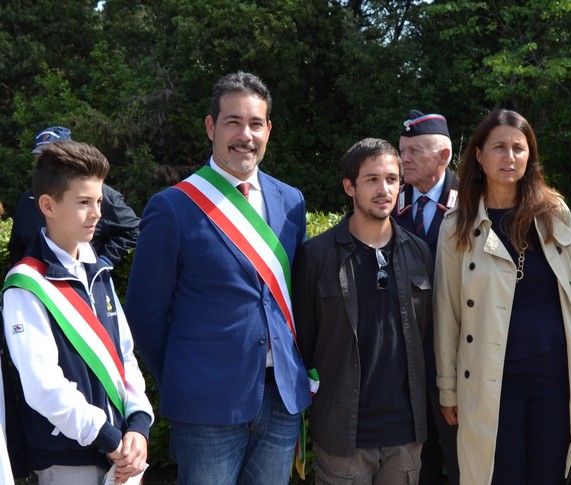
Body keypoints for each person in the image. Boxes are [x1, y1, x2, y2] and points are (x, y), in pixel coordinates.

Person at [124, 71, 311, 484]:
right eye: (233, 122)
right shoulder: (171, 207)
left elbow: (296, 297)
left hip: (281, 399)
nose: (245, 135)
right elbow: (143, 314)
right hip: (205, 406)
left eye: (256, 124)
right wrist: (184, 374)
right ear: (211, 127)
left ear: (268, 130)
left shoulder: (291, 201)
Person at [433, 109, 571, 484]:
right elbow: (446, 313)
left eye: (519, 147)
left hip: (556, 375)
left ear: (530, 156)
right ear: (479, 155)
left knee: (551, 474)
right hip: (490, 380)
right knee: (500, 476)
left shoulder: (554, 212)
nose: (509, 156)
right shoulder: (457, 225)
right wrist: (448, 388)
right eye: (499, 147)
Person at [2, 140, 153, 484]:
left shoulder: (99, 272)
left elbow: (124, 357)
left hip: (122, 453)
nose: (98, 213)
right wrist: (110, 438)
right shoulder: (26, 284)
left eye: (98, 201)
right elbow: (43, 385)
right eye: (84, 202)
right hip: (69, 461)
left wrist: (139, 424)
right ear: (48, 205)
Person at [293, 138, 431, 483]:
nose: (383, 189)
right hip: (343, 435)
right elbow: (303, 344)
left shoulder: (419, 253)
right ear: (349, 186)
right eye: (371, 179)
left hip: (406, 435)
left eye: (391, 179)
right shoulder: (316, 257)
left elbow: (427, 336)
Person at [392, 109, 460, 485]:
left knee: (463, 454)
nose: (405, 160)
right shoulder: (390, 201)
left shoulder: (470, 200)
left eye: (416, 151)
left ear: (444, 156)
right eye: (403, 150)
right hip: (405, 356)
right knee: (419, 460)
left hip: (456, 353)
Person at [8, 126, 140, 268]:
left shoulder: (104, 194)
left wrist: (104, 262)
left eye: (55, 158)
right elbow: (17, 245)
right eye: (41, 157)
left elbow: (134, 230)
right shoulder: (28, 198)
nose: (96, 213)